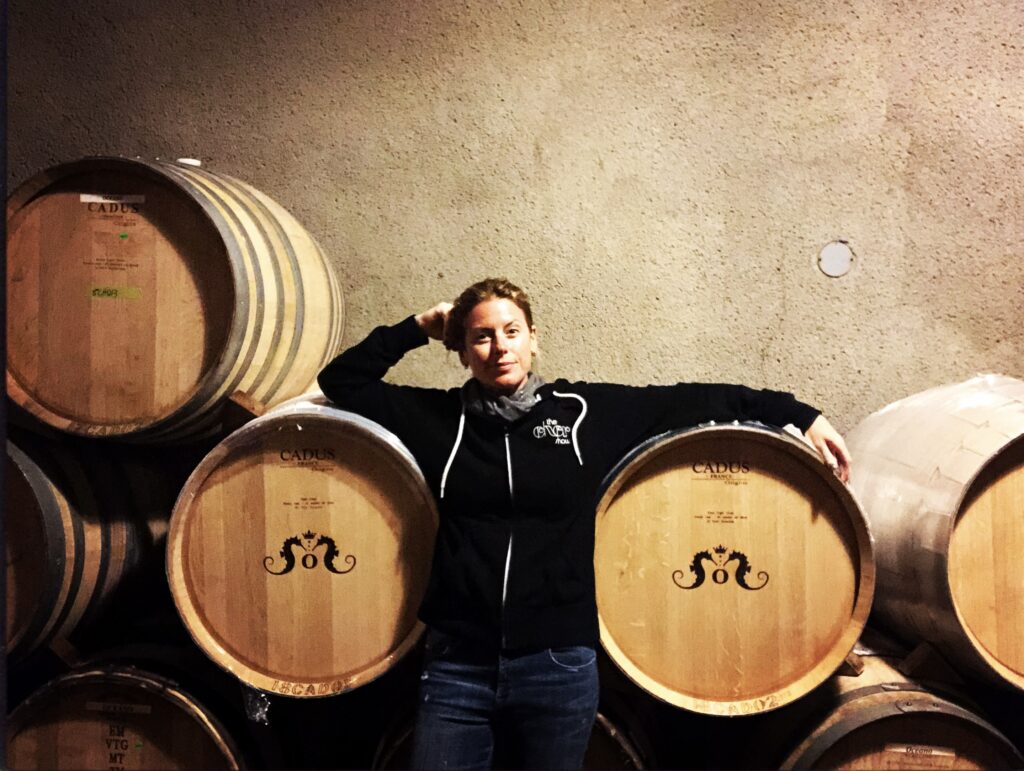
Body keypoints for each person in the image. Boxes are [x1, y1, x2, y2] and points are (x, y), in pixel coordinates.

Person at [317, 277, 851, 770]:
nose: (500, 347)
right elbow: (343, 380)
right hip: (459, 665)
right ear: (460, 351)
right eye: (481, 337)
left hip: (557, 665)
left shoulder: (580, 413)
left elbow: (694, 400)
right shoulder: (441, 421)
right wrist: (416, 328)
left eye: (512, 331)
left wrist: (798, 412)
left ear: (534, 340)